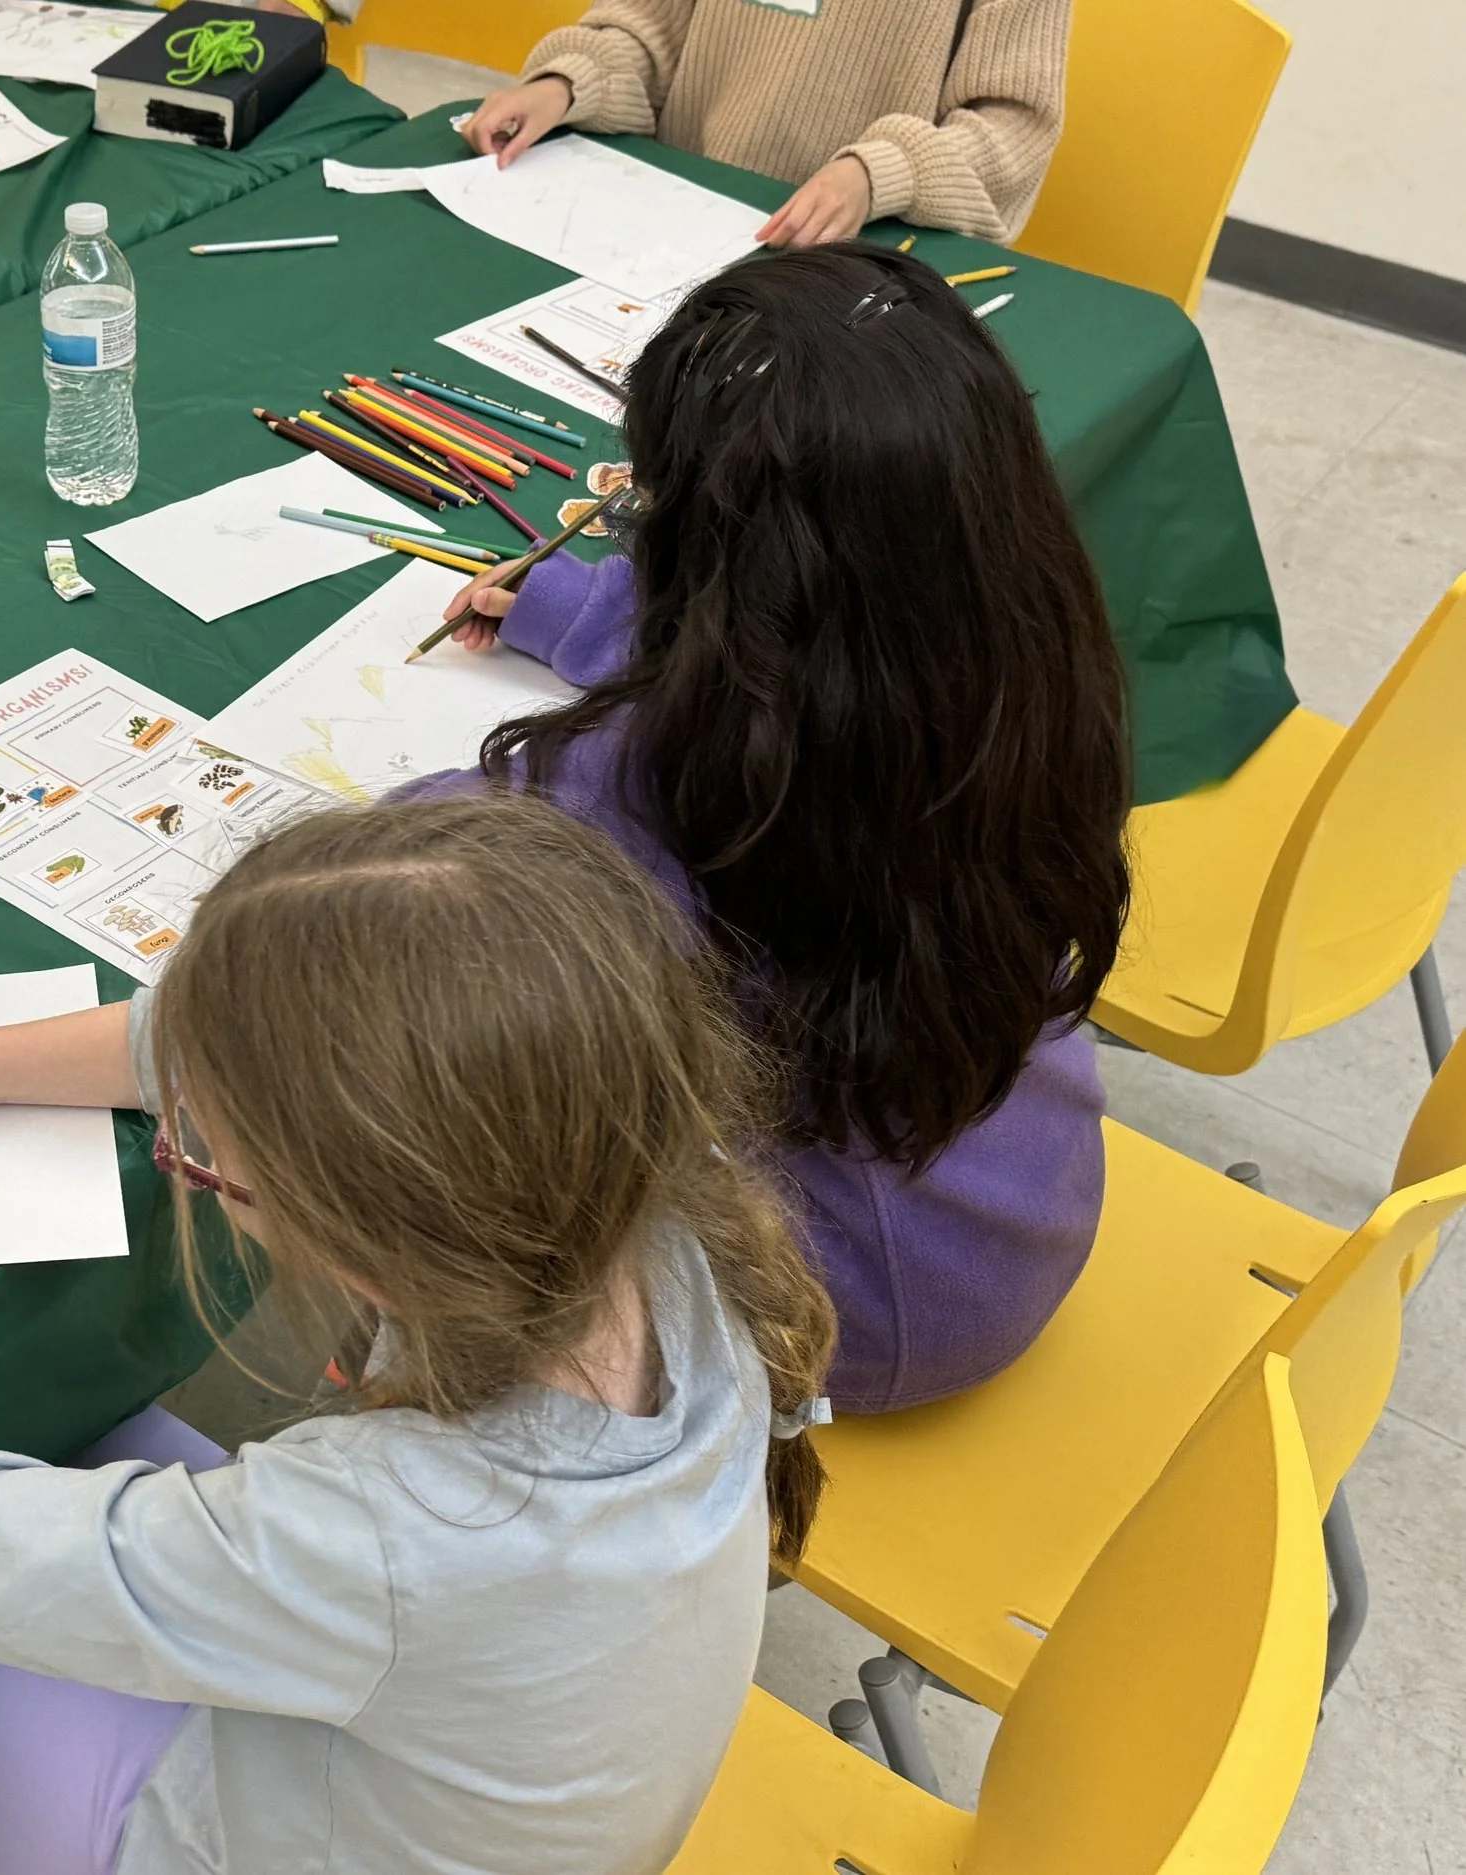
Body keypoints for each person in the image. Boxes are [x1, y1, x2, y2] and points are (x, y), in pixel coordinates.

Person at [0, 792, 836, 1875]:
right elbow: (260, 1047)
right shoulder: (632, 1183)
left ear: (354, 1219)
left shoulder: (399, 1530)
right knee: (32, 1440)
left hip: (258, 1818)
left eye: (206, 1155)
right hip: (449, 1758)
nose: (190, 1155)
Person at [439, 241, 1131, 1412]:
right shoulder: (1014, 663)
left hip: (843, 1312)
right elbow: (811, 669)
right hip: (1022, 1194)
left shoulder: (627, 803)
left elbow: (370, 905)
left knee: (448, 1127)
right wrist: (588, 613)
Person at [464, 0, 1070, 246]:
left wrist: (875, 174)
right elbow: (646, 31)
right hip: (669, 227)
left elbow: (1012, 128)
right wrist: (567, 82)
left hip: (854, 263)